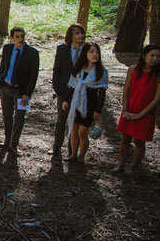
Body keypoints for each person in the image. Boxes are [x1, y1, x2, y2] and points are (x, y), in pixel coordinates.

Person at [114, 44, 160, 173]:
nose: (155, 59)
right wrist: (125, 109)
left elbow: (157, 99)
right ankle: (120, 165)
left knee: (139, 142)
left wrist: (141, 114)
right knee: (125, 139)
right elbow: (126, 90)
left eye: (158, 56)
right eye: (152, 55)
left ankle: (133, 167)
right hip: (130, 109)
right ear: (144, 55)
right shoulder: (133, 70)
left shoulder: (157, 75)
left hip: (146, 113)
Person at [61, 42, 107, 163]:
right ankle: (73, 154)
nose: (94, 55)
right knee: (74, 130)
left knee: (83, 132)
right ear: (85, 54)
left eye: (97, 52)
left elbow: (102, 92)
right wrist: (66, 100)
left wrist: (98, 109)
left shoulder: (101, 71)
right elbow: (72, 85)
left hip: (90, 104)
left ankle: (82, 156)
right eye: (91, 52)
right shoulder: (79, 68)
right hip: (76, 102)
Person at [0, 26, 39, 155]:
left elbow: (33, 76)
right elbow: (3, 65)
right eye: (17, 36)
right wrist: (0, 81)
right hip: (6, 87)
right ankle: (7, 140)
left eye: (22, 36)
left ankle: (14, 144)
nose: (20, 39)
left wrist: (27, 94)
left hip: (21, 91)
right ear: (11, 38)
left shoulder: (32, 52)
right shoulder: (7, 48)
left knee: (20, 117)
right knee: (7, 115)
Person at [50, 23, 86, 155]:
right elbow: (57, 70)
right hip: (63, 90)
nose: (80, 35)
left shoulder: (88, 49)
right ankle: (56, 147)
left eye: (81, 33)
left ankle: (73, 150)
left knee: (76, 121)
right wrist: (57, 88)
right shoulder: (62, 49)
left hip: (81, 91)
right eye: (77, 33)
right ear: (70, 36)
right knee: (61, 120)